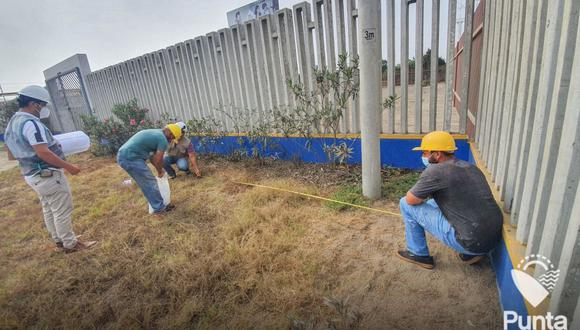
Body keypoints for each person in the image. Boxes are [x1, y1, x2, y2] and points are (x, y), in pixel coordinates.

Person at [4, 85, 97, 253]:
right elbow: (43, 152)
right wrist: (69, 167)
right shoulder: (31, 123)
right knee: (62, 209)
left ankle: (60, 241)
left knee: (49, 208)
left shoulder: (13, 123)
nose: (44, 108)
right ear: (34, 104)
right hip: (46, 174)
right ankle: (70, 244)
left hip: (31, 174)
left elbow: (11, 154)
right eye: (43, 104)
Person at [396, 131, 503, 269]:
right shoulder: (470, 167)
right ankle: (471, 254)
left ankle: (418, 253)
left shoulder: (435, 171)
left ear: (437, 154)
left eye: (425, 153)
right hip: (492, 239)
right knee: (434, 203)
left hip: (470, 242)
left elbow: (411, 200)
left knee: (405, 203)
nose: (423, 156)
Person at [116, 124, 182, 214]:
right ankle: (159, 209)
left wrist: (160, 170)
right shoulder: (162, 139)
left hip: (125, 155)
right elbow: (159, 160)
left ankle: (159, 205)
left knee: (148, 181)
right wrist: (159, 171)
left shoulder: (156, 134)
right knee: (149, 182)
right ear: (169, 132)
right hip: (130, 157)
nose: (170, 140)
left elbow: (152, 157)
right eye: (172, 137)